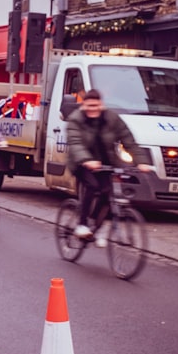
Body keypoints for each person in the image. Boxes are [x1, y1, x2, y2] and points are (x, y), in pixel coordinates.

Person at [66, 89, 153, 247]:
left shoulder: (112, 118)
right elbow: (75, 143)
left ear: (102, 104)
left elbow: (128, 140)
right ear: (84, 105)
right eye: (89, 105)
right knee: (92, 186)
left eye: (96, 105)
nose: (93, 109)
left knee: (107, 193)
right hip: (81, 162)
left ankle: (95, 227)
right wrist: (87, 160)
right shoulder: (75, 120)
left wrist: (141, 161)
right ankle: (82, 224)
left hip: (106, 163)